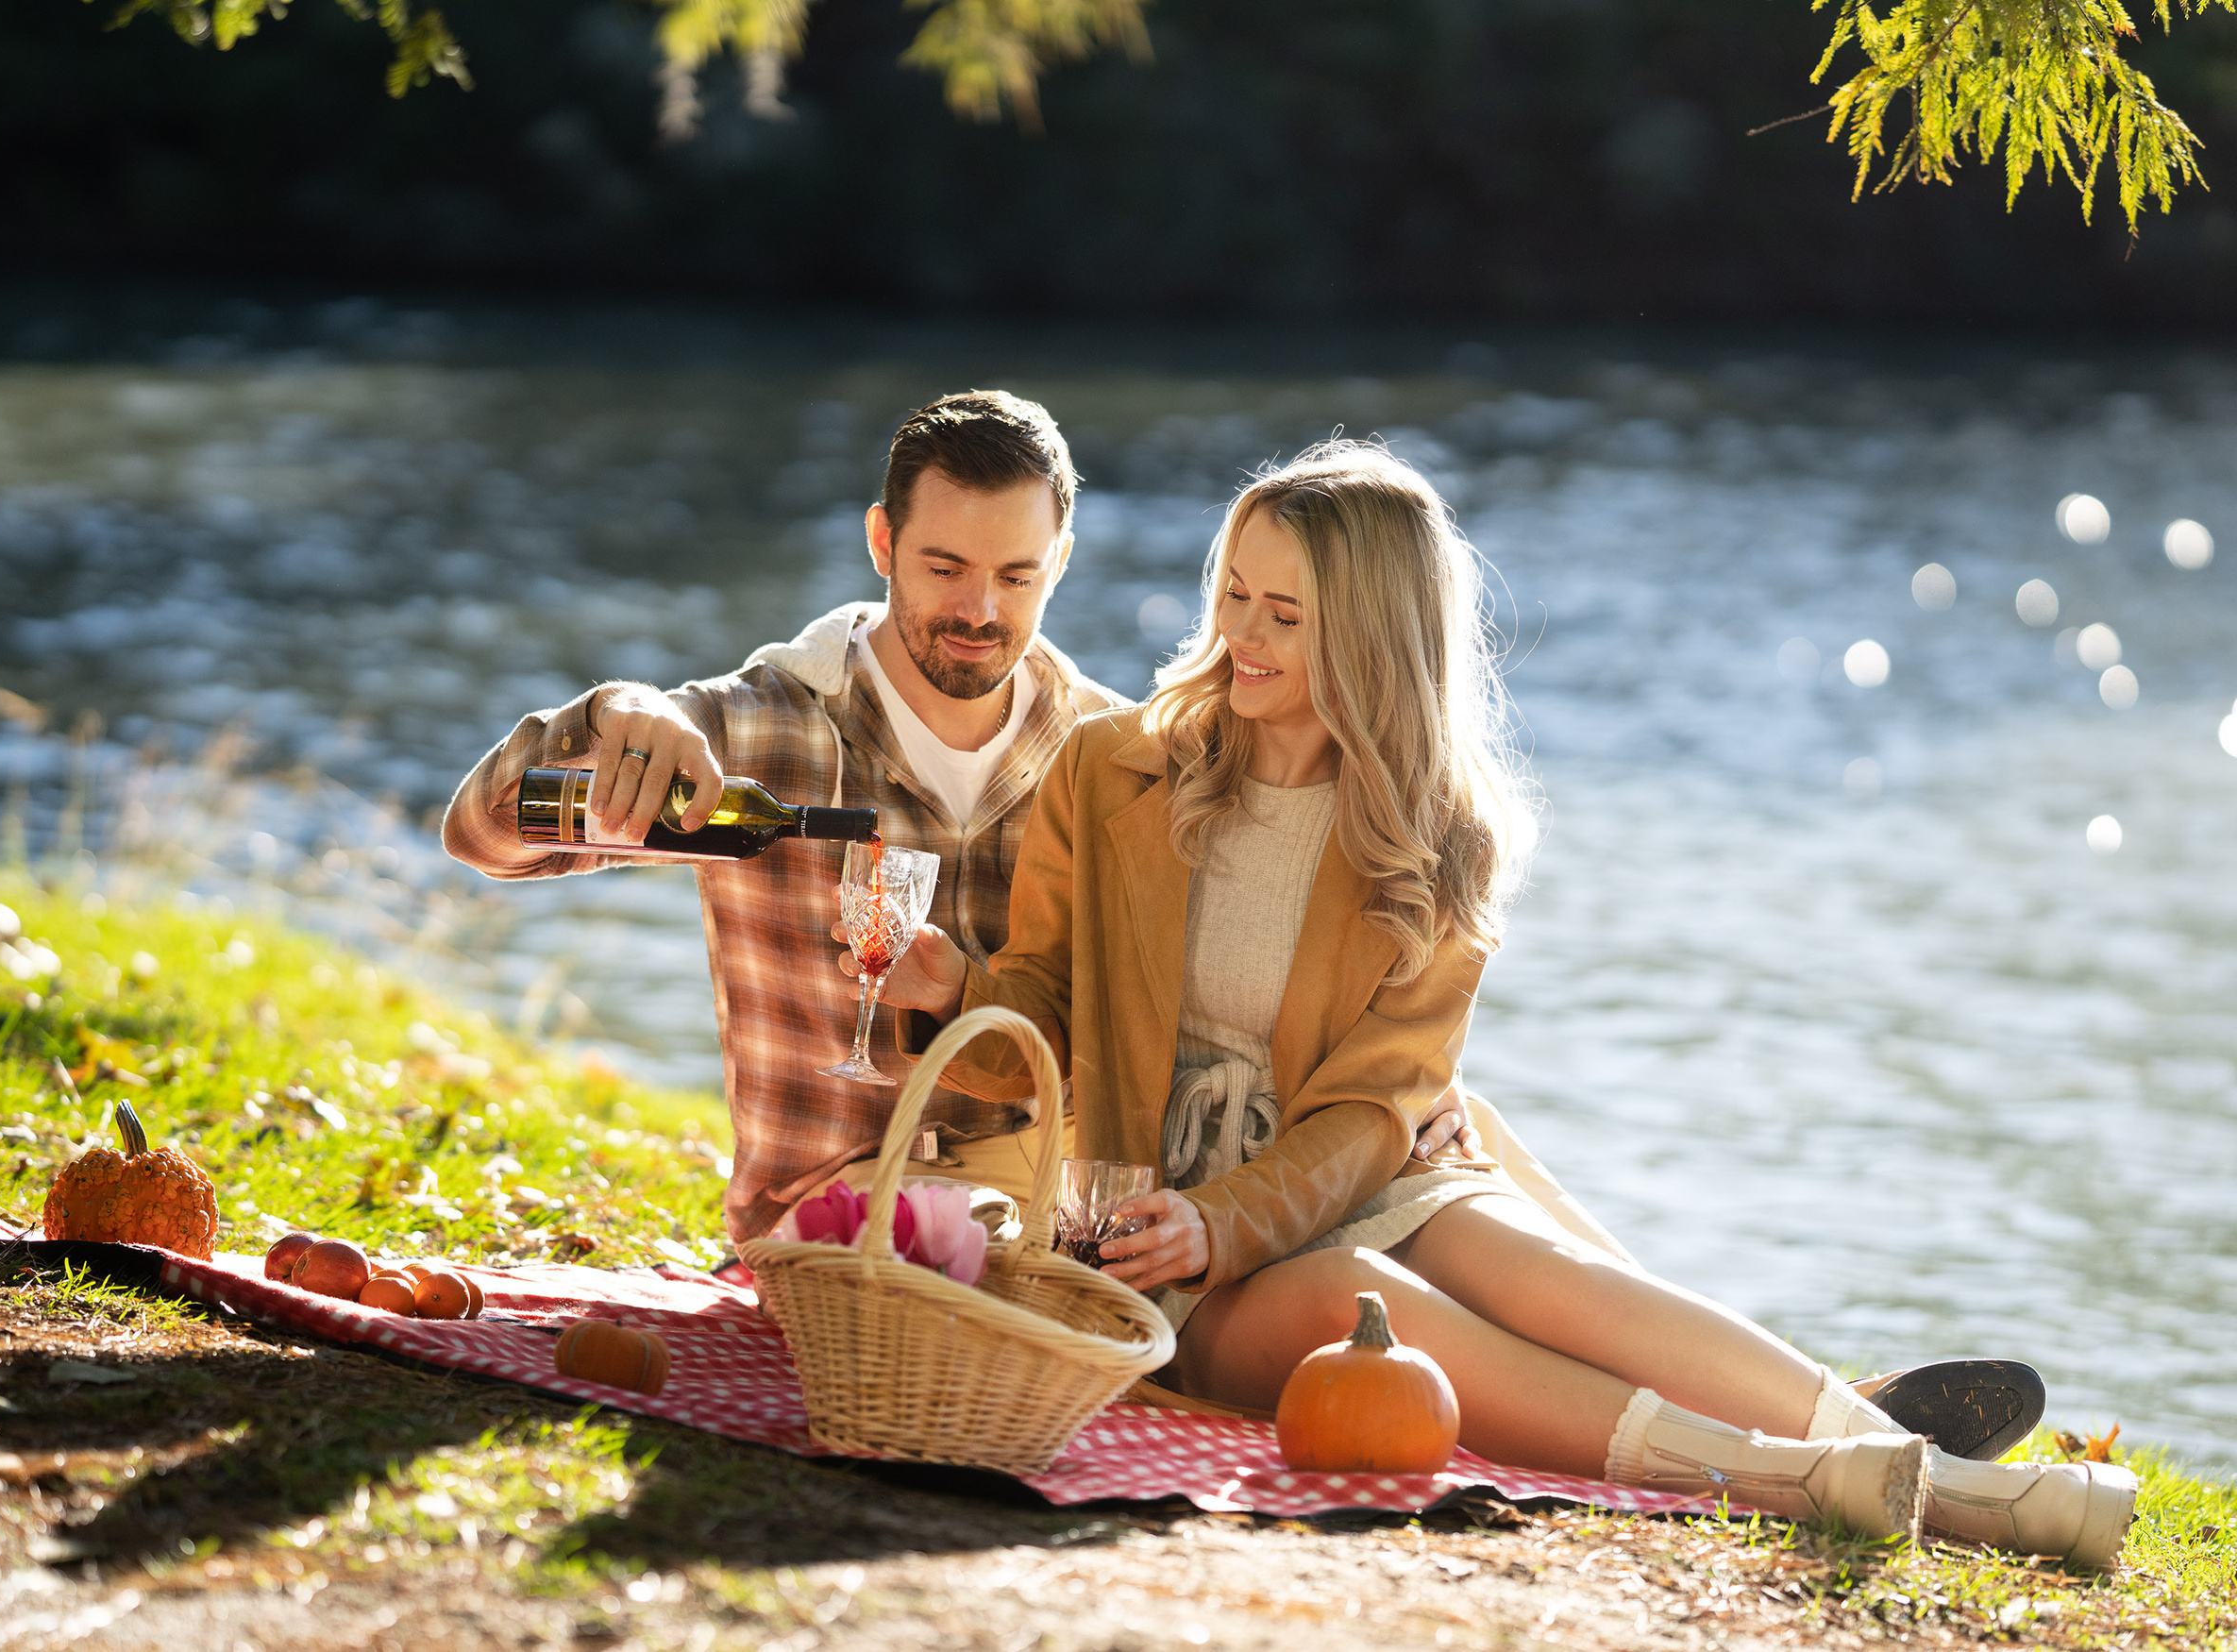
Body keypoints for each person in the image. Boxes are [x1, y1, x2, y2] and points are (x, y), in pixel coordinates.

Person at [863, 440, 2140, 1567]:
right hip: (1165, 1238)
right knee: (1352, 1304)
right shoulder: (1113, 769)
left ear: (1370, 637)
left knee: (1556, 1278)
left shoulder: (1437, 839)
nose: (1243, 634)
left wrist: (1237, 1212)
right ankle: (1807, 1478)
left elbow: (1374, 1111)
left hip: (1355, 1169)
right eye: (1235, 595)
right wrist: (951, 991)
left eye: (1286, 615)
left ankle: (1915, 1466)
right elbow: (1042, 1010)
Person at [446, 391, 1477, 1244]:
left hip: (1067, 1188)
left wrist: (1404, 1086)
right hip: (840, 1205)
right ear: (882, 542)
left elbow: (1227, 975)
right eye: (944, 569)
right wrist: (613, 711)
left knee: (1444, 1191)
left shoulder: (1118, 757)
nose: (980, 610)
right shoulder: (757, 733)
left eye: (1016, 575)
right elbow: (484, 837)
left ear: (1060, 562)